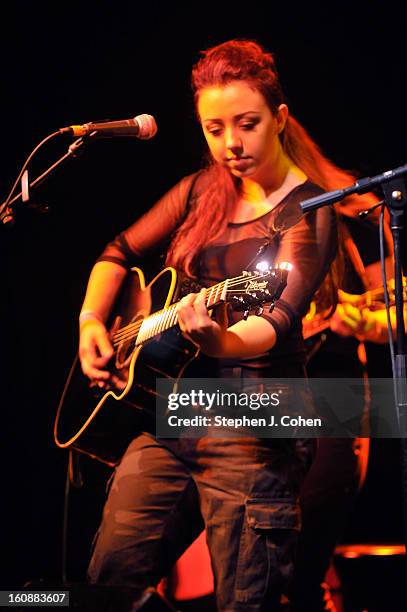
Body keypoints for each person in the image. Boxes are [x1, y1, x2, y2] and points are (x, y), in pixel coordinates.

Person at [78, 39, 338, 611]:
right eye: (214, 129)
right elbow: (116, 252)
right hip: (176, 412)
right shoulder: (201, 191)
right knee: (106, 583)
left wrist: (219, 338)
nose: (231, 144)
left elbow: (278, 316)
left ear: (280, 118)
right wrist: (92, 321)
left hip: (260, 422)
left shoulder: (310, 209)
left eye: (246, 124)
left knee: (245, 600)